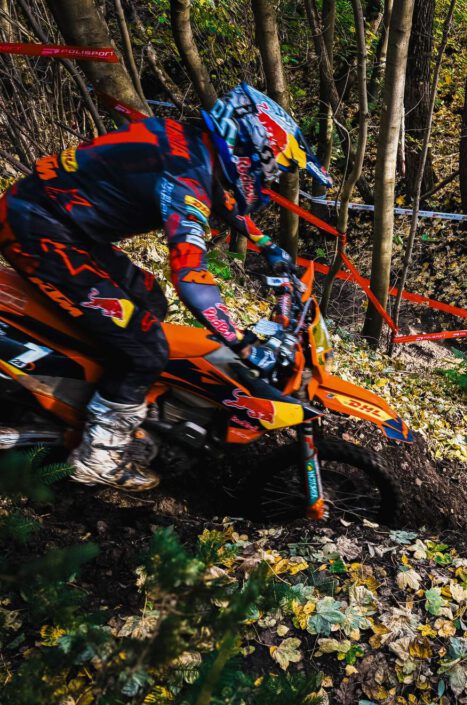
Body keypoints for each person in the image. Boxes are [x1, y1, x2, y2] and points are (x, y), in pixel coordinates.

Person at [0, 84, 331, 491]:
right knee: (145, 346)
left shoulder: (186, 144)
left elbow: (219, 200)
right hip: (40, 231)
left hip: (58, 224)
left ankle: (100, 389)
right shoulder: (185, 180)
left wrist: (268, 247)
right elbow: (191, 277)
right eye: (274, 166)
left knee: (150, 299)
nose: (274, 176)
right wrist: (243, 343)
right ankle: (99, 455)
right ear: (249, 150)